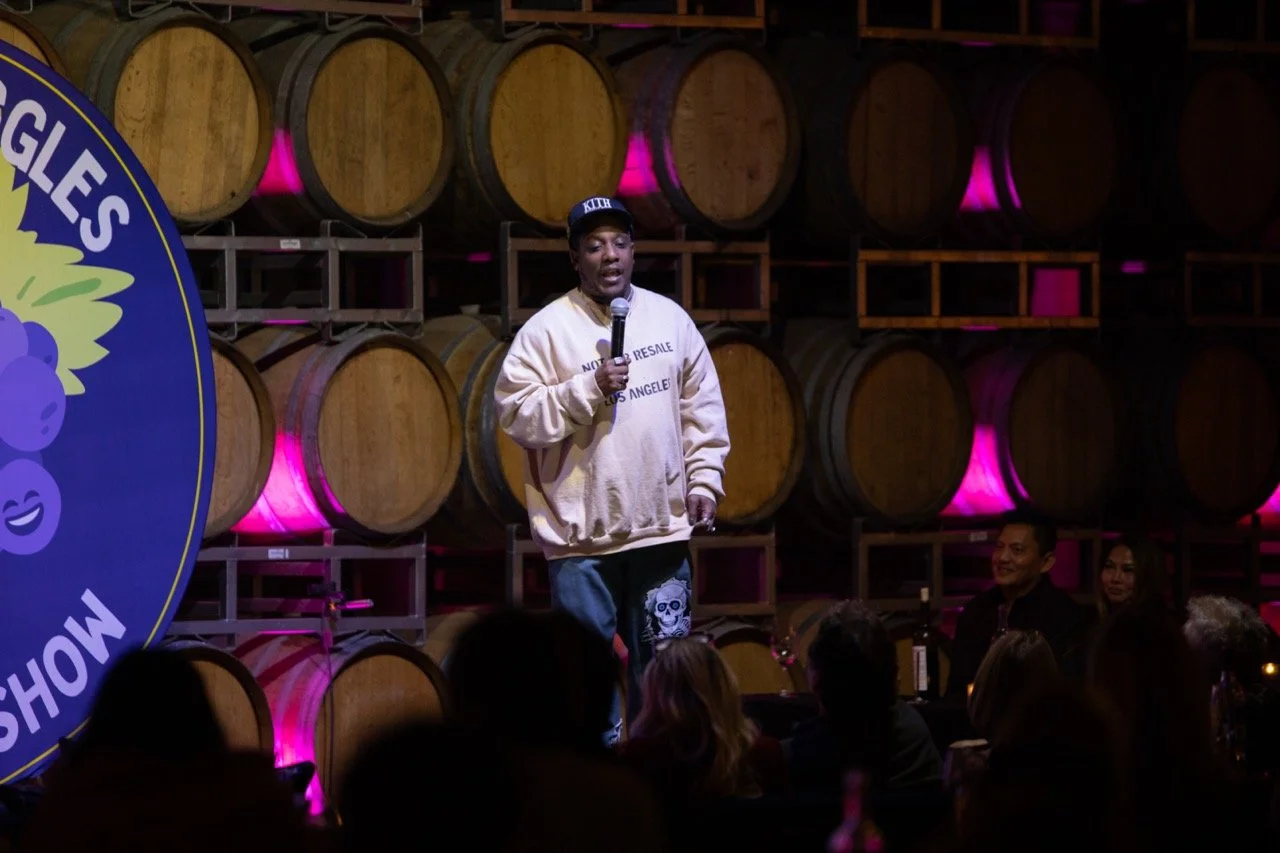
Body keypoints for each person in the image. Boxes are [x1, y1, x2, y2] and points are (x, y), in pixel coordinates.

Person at [494, 195, 731, 745]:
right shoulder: (546, 331)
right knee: (587, 686)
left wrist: (704, 480)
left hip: (659, 536)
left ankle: (668, 790)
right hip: (583, 548)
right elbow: (516, 415)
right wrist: (588, 388)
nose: (610, 256)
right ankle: (599, 794)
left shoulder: (670, 321)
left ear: (633, 251)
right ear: (575, 258)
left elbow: (702, 409)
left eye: (620, 244)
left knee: (668, 683)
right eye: (595, 245)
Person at [945, 514, 1088, 701]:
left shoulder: (1065, 616)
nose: (1003, 558)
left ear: (1046, 562)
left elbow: (1066, 693)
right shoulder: (976, 610)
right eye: (999, 547)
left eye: (1017, 550)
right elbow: (957, 688)